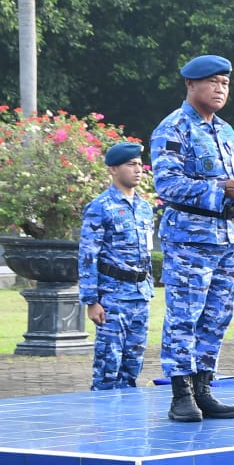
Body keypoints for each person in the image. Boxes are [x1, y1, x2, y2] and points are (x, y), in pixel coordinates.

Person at [151, 54, 234, 422]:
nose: (220, 88)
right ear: (191, 85)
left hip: (226, 237)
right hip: (190, 238)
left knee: (217, 317)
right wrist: (222, 188)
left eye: (225, 83)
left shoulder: (225, 131)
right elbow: (168, 185)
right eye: (213, 82)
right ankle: (180, 393)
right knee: (184, 316)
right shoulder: (173, 128)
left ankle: (204, 388)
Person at [79, 142, 154, 391]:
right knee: (108, 368)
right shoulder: (100, 207)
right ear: (113, 169)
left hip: (139, 296)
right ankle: (104, 424)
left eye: (139, 164)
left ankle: (127, 425)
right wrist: (91, 301)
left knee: (133, 366)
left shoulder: (144, 208)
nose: (138, 170)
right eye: (130, 164)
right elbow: (88, 256)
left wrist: (149, 287)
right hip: (112, 298)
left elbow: (146, 253)